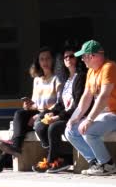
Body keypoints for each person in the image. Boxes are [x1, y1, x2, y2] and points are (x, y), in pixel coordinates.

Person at [0, 47, 60, 173]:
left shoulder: (57, 79)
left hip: (49, 115)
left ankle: (0, 161)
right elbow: (35, 104)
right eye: (42, 59)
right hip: (38, 114)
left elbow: (60, 104)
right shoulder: (37, 80)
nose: (45, 62)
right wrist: (29, 106)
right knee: (20, 114)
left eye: (48, 58)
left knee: (19, 132)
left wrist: (39, 115)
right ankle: (12, 149)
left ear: (53, 60)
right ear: (38, 62)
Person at [64, 40, 116, 176]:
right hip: (104, 117)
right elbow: (86, 97)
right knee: (70, 131)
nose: (82, 60)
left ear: (92, 56)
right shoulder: (91, 72)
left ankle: (108, 165)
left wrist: (89, 119)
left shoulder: (109, 67)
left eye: (83, 56)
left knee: (88, 130)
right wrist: (75, 118)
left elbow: (103, 97)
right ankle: (96, 163)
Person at [32, 44, 86, 173]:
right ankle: (57, 160)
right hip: (66, 116)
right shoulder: (68, 80)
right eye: (65, 57)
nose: (68, 58)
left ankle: (51, 161)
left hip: (77, 117)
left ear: (77, 58)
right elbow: (61, 104)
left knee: (54, 127)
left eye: (71, 56)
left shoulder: (81, 77)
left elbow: (78, 106)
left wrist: (58, 117)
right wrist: (50, 112)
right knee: (41, 125)